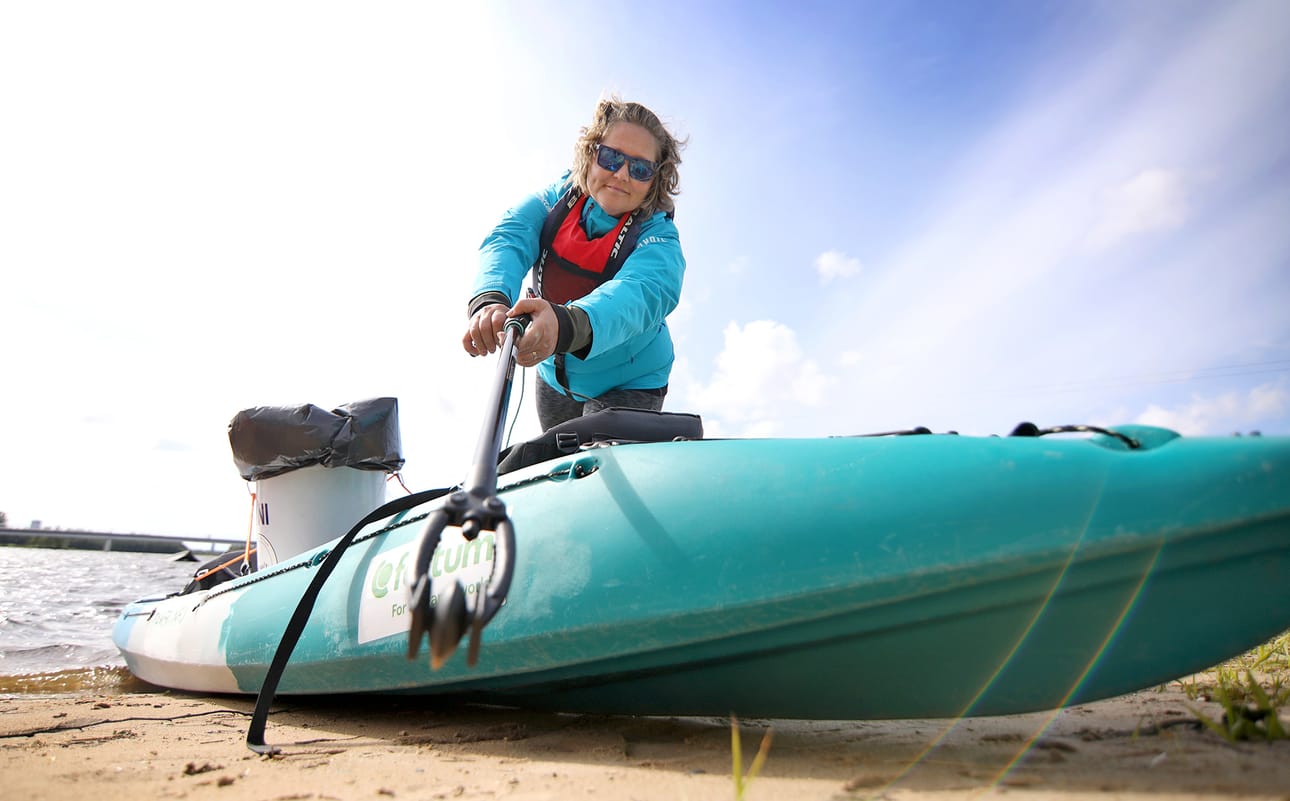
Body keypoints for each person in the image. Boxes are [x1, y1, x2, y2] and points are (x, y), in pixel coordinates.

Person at [462, 97, 687, 431]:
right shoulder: (558, 198)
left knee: (598, 472)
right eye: (611, 157)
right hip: (554, 378)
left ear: (655, 180)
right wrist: (490, 299)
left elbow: (645, 290)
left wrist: (567, 325)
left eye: (640, 169)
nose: (622, 174)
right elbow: (510, 236)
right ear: (591, 154)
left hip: (631, 382)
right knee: (555, 465)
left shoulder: (660, 234)